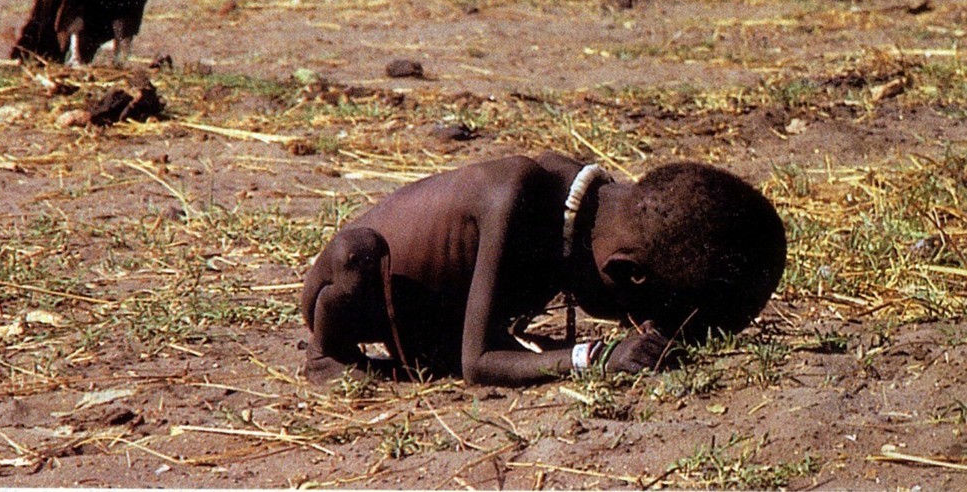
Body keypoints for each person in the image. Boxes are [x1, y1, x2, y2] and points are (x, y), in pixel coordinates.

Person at [300, 152, 786, 385]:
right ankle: (329, 357)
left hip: (432, 317)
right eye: (636, 315)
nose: (637, 327)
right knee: (354, 257)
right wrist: (595, 356)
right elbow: (478, 363)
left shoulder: (588, 211)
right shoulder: (515, 199)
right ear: (623, 274)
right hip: (357, 292)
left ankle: (422, 351)